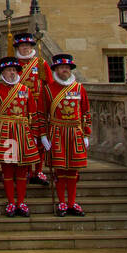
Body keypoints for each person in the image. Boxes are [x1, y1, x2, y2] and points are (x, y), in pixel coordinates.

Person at [40, 52, 91, 216]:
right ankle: (62, 202)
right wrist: (43, 135)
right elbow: (42, 114)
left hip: (75, 132)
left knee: (73, 171)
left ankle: (72, 202)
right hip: (57, 132)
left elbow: (85, 112)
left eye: (67, 67)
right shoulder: (48, 89)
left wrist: (86, 134)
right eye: (62, 67)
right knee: (60, 170)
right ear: (56, 69)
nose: (65, 70)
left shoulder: (79, 88)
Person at [0, 54, 41, 217]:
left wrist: (35, 134)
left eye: (14, 70)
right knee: (8, 169)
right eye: (8, 70)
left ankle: (21, 201)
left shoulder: (25, 90)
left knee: (22, 169)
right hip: (7, 133)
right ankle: (11, 202)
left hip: (22, 132)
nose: (12, 73)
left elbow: (33, 114)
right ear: (3, 72)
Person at [14, 33, 48, 183]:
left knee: (40, 138)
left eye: (27, 46)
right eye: (22, 46)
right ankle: (25, 170)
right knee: (23, 140)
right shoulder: (14, 65)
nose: (25, 49)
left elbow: (48, 85)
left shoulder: (41, 63)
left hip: (39, 106)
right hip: (21, 108)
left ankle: (38, 170)